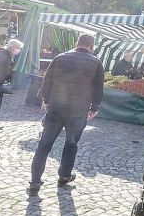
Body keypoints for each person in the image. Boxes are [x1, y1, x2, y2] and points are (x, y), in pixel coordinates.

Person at [27, 33, 105, 196]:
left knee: (44, 145)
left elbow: (46, 81)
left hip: (55, 108)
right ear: (91, 46)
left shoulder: (60, 58)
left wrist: (46, 101)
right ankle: (64, 176)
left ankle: (34, 183)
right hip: (78, 110)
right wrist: (94, 108)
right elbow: (98, 88)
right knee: (71, 144)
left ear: (77, 42)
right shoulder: (96, 63)